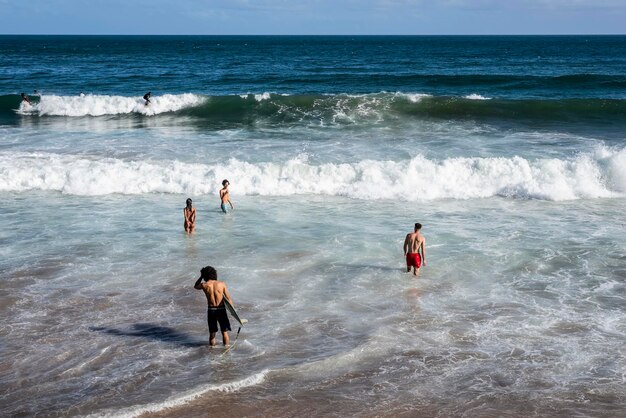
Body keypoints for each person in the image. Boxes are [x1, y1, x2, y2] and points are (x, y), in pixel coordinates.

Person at [194, 266, 233, 346]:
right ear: (214, 274)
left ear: (205, 275)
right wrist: (232, 311)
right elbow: (228, 298)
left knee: (212, 333)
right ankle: (226, 350)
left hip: (211, 310)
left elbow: (195, 286)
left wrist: (201, 276)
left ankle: (212, 353)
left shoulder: (204, 285)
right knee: (224, 332)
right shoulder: (222, 284)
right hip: (221, 309)